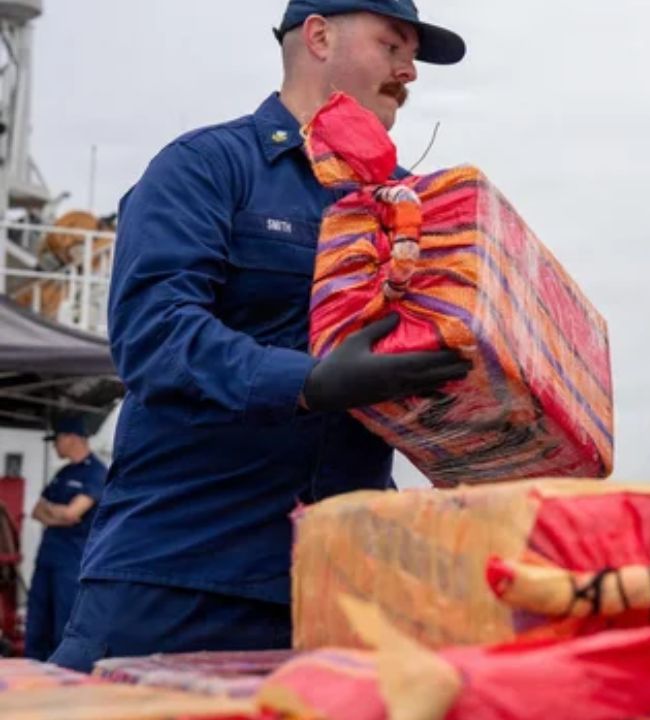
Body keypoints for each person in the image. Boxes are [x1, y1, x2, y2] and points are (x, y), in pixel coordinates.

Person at [50, 0, 473, 670]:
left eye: (412, 56)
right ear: (319, 35)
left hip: (345, 596)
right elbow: (154, 333)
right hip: (179, 580)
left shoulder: (412, 210)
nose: (408, 71)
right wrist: (310, 381)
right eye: (393, 46)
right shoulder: (205, 168)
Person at [24, 416, 106, 661]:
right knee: (36, 621)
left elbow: (73, 513)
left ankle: (59, 680)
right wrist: (58, 514)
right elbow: (37, 511)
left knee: (63, 622)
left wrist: (55, 512)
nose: (54, 447)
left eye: (56, 440)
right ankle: (31, 678)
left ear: (70, 438)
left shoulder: (97, 472)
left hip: (71, 562)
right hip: (47, 558)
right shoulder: (63, 473)